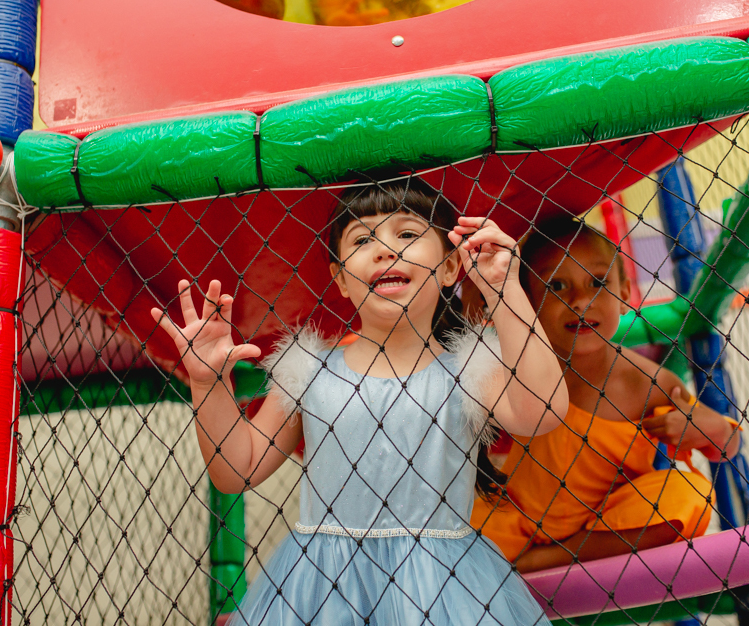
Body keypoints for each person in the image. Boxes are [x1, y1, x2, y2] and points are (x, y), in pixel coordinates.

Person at [151, 178, 568, 624]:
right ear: (340, 279)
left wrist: (504, 289)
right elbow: (237, 469)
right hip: (320, 595)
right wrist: (208, 382)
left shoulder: (470, 370)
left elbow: (541, 412)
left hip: (443, 593)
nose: (385, 250)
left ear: (450, 268)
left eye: (407, 233)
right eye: (363, 239)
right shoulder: (310, 372)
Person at [471, 216, 742, 573]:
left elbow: (728, 447)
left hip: (601, 527)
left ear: (624, 292)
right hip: (512, 519)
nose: (581, 300)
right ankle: (517, 558)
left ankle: (546, 560)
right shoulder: (516, 362)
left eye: (598, 282)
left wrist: (711, 427)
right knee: (449, 517)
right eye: (557, 286)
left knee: (691, 495)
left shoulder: (646, 383)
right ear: (528, 301)